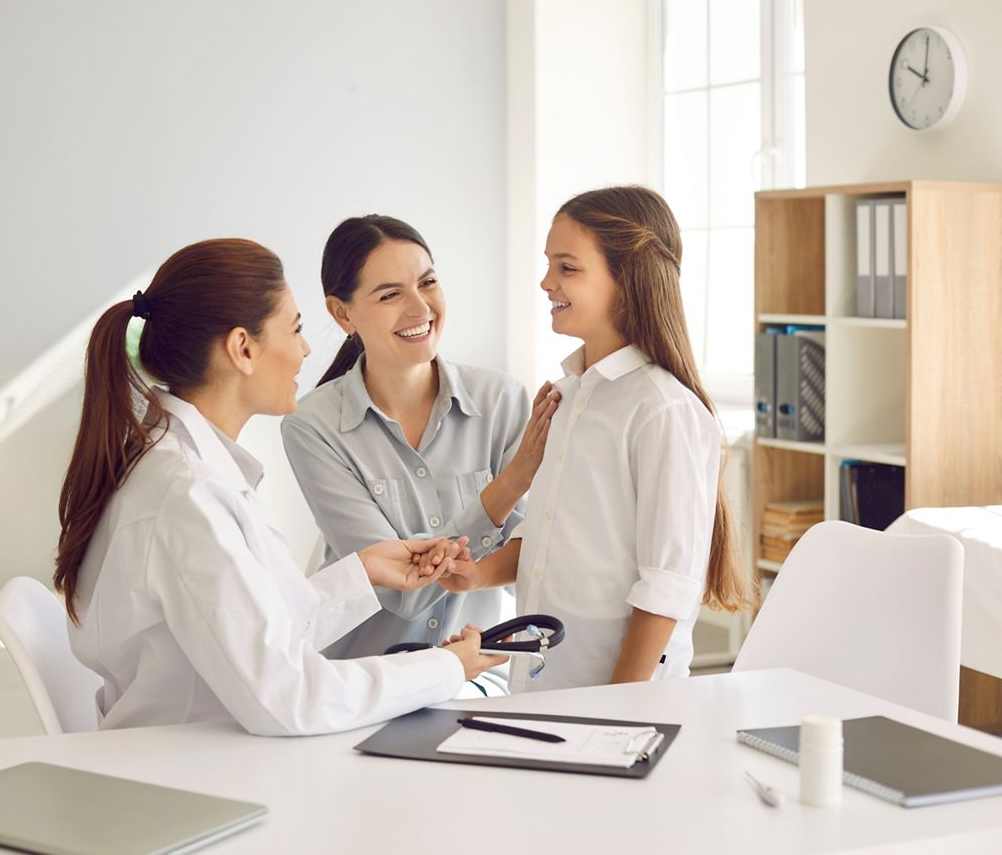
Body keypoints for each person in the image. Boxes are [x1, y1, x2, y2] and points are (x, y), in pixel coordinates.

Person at [53, 238, 501, 736]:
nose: (307, 350)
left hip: (202, 743)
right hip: (187, 765)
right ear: (243, 349)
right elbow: (292, 699)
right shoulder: (188, 494)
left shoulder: (186, 468)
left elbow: (259, 631)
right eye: (296, 329)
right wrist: (447, 668)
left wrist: (362, 573)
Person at [438, 186, 754, 691]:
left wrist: (617, 706)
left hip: (615, 700)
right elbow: (549, 536)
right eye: (548, 264)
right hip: (543, 683)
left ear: (626, 281)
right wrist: (478, 574)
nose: (546, 282)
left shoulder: (663, 411)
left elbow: (666, 587)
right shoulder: (568, 397)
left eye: (567, 267)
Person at [281, 215, 560, 659]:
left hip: (477, 675)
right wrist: (512, 481)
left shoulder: (501, 399)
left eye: (427, 282)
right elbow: (401, 593)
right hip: (361, 679)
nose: (420, 308)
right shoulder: (312, 427)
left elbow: (534, 551)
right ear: (342, 313)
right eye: (390, 294)